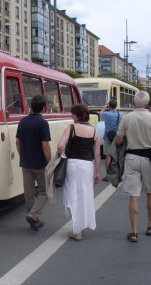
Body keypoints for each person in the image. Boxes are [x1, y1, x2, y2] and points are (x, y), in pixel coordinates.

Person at [57, 104, 101, 241]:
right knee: (85, 194)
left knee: (72, 194)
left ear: (77, 115)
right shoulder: (94, 131)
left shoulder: (71, 128)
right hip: (88, 165)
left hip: (73, 164)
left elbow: (60, 146)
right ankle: (79, 227)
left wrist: (62, 155)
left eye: (72, 114)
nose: (71, 116)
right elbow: (98, 154)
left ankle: (76, 230)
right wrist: (97, 172)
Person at [115, 90, 151, 242]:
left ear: (134, 103)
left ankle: (134, 232)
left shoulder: (127, 117)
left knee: (134, 196)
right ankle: (150, 226)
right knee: (150, 193)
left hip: (132, 157)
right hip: (149, 158)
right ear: (148, 104)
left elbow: (118, 140)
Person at [16, 95, 51, 231]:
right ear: (43, 108)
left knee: (28, 193)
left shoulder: (23, 122)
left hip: (25, 163)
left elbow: (18, 142)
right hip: (40, 164)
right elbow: (45, 146)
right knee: (44, 191)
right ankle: (33, 215)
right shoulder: (43, 123)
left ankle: (33, 219)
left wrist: (23, 155)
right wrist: (50, 161)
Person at [100, 98, 123, 180]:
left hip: (108, 137)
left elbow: (100, 115)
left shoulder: (106, 114)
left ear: (109, 106)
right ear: (116, 105)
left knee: (108, 155)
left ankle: (108, 175)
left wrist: (104, 108)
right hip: (118, 137)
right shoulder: (120, 114)